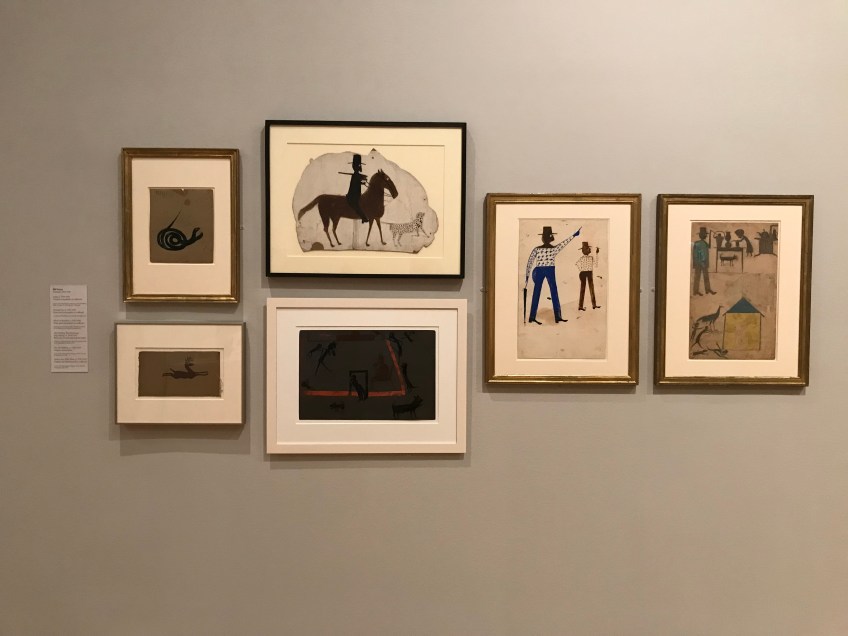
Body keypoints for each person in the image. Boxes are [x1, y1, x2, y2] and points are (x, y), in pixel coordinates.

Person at [524, 225, 580, 324]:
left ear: (542, 238)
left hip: (540, 270)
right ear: (551, 238)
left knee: (537, 292)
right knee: (553, 292)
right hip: (549, 270)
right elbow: (564, 243)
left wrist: (527, 276)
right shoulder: (553, 249)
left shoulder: (537, 249)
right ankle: (557, 317)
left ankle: (532, 317)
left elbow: (530, 262)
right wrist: (573, 236)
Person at [339, 153, 369, 223]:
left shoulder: (356, 175)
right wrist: (361, 179)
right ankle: (363, 218)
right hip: (353, 196)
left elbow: (357, 183)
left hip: (356, 194)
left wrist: (362, 181)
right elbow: (355, 184)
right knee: (356, 205)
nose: (358, 167)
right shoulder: (356, 175)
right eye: (357, 166)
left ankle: (363, 217)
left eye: (358, 166)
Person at [575, 241, 601, 310]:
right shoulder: (587, 258)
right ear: (585, 250)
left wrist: (597, 254)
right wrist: (581, 269)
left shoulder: (588, 258)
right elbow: (576, 263)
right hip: (586, 273)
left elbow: (576, 264)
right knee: (587, 288)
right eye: (588, 248)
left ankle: (591, 305)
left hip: (586, 273)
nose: (590, 249)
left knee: (589, 288)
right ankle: (583, 306)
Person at [692, 226, 716, 296]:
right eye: (705, 235)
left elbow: (709, 246)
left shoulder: (704, 243)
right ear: (702, 235)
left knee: (705, 276)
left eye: (706, 235)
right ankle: (696, 291)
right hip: (699, 263)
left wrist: (710, 236)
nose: (706, 236)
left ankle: (707, 289)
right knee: (697, 277)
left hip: (704, 263)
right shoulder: (698, 243)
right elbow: (696, 254)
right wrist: (701, 262)